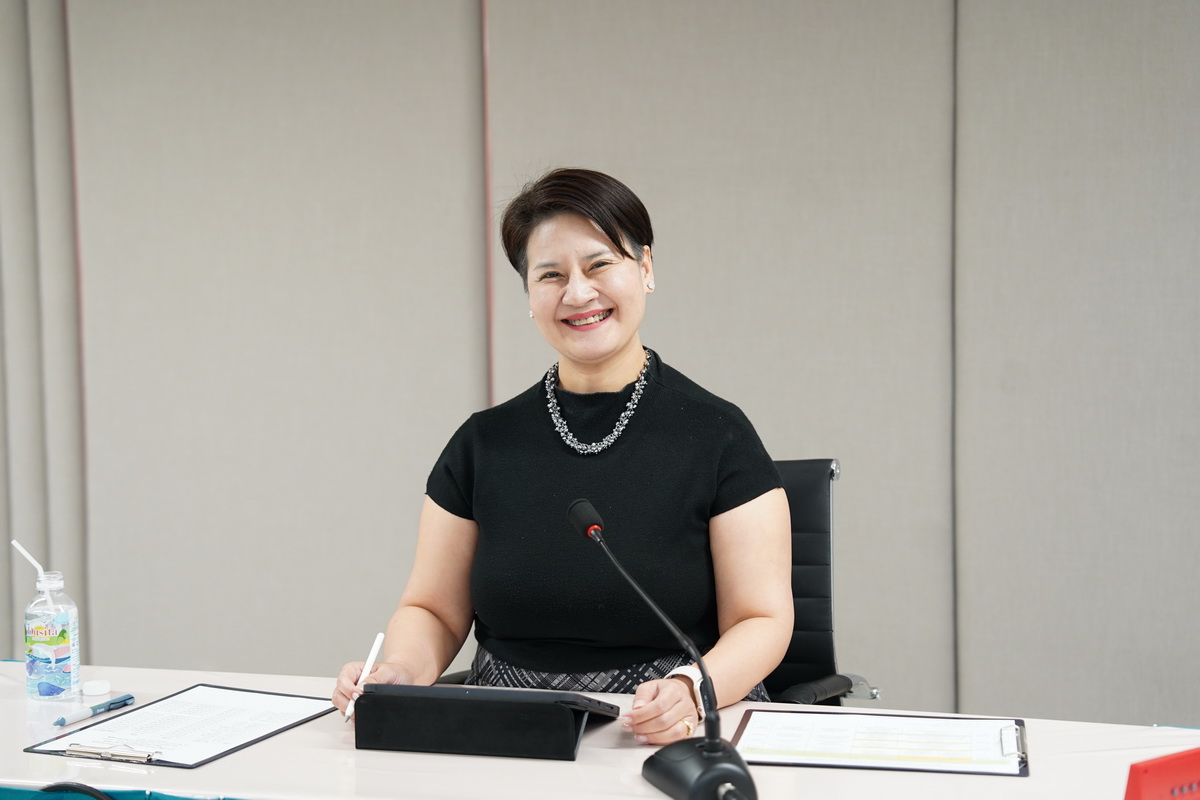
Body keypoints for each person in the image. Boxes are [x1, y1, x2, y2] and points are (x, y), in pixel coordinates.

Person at [333, 168, 793, 746]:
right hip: (506, 732)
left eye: (599, 265)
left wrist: (691, 688)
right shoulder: (482, 444)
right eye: (551, 275)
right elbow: (433, 610)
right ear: (530, 296)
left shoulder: (719, 435)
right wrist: (399, 672)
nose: (578, 293)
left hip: (665, 727)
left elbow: (762, 619)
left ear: (646, 269)